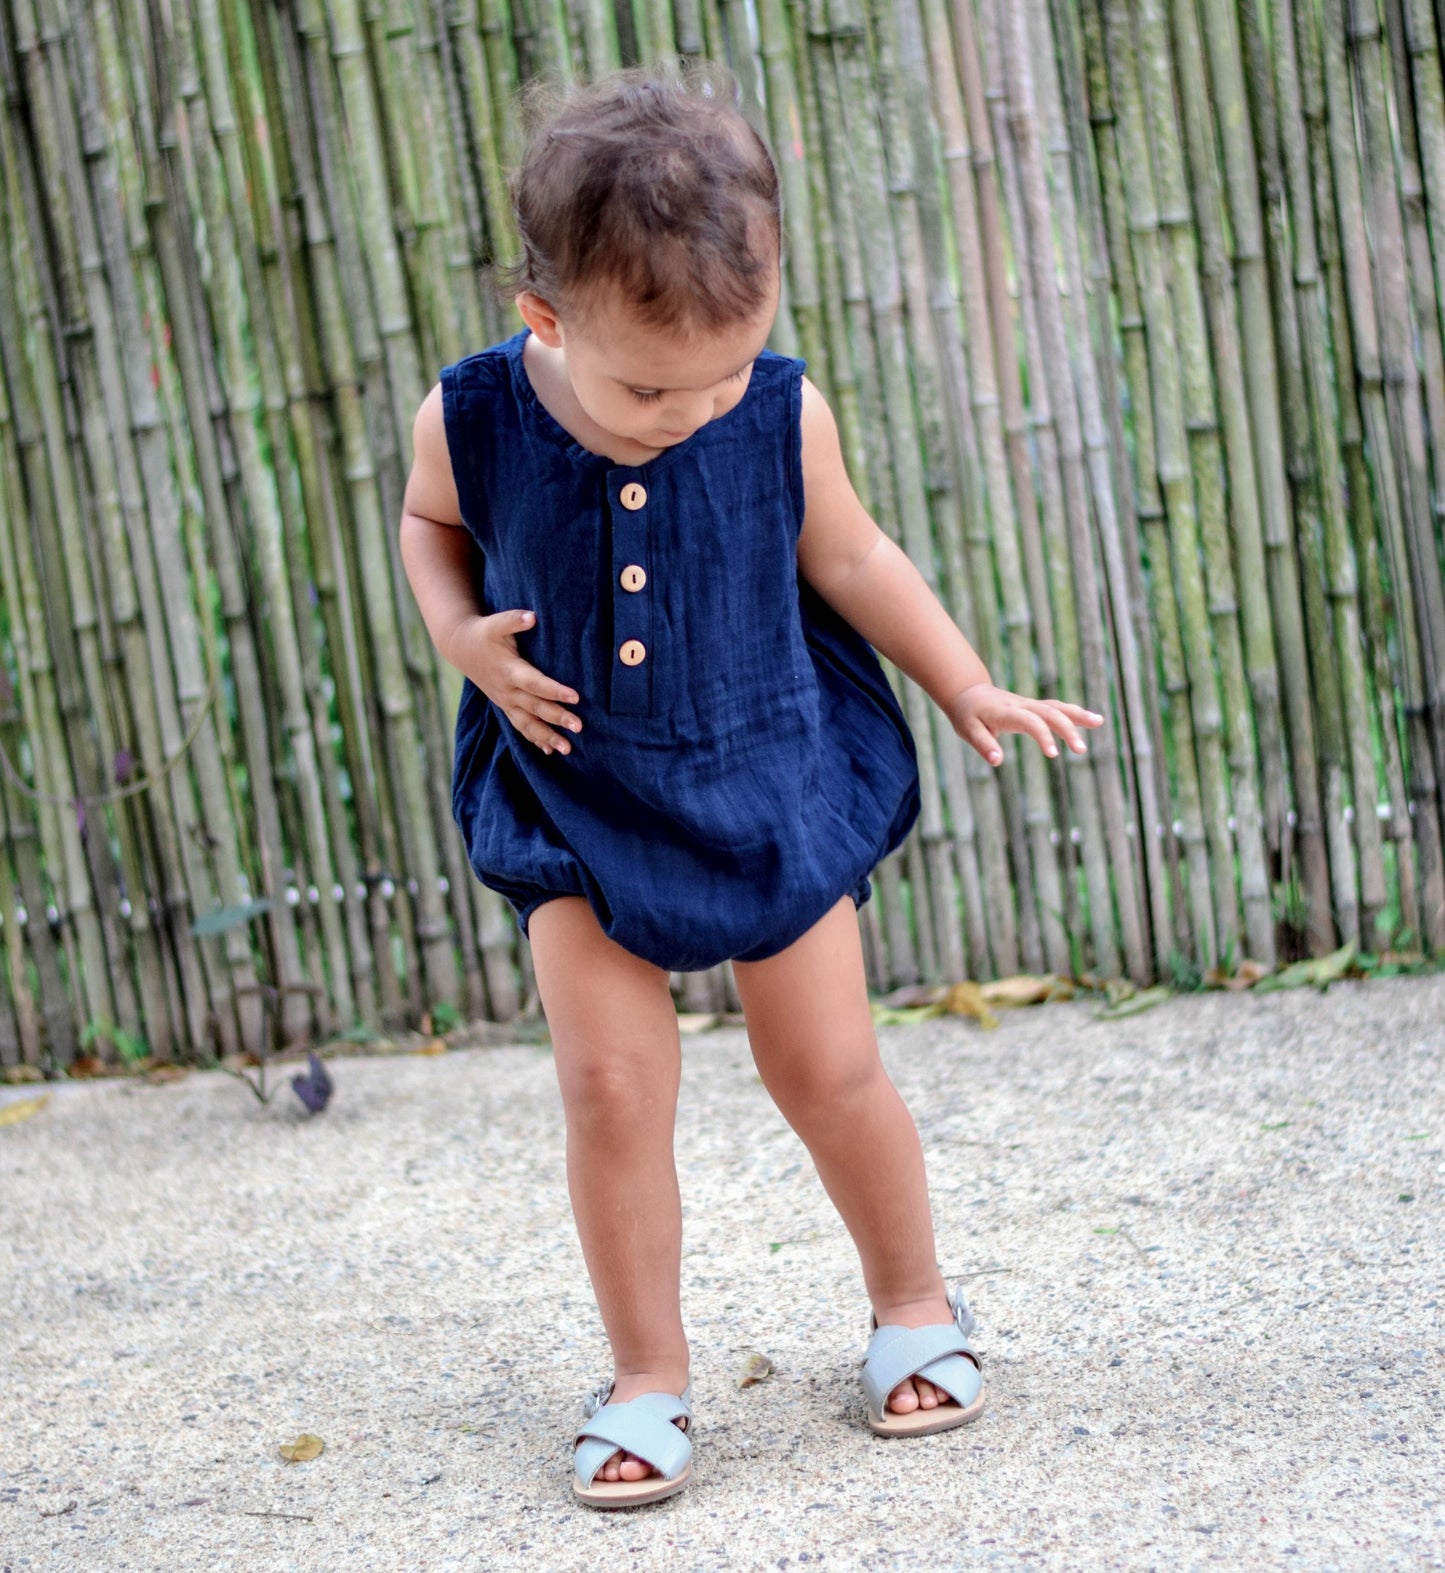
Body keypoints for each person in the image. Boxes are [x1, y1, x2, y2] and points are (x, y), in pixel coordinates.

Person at [400, 67, 1102, 1508]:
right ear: (546, 318)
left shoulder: (778, 410)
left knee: (825, 1066)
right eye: (652, 387)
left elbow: (851, 555)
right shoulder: (470, 414)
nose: (696, 407)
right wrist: (461, 636)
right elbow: (429, 527)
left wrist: (963, 680)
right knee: (610, 1088)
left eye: (727, 369)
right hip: (573, 793)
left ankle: (913, 1301)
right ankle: (646, 1374)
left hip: (767, 765)